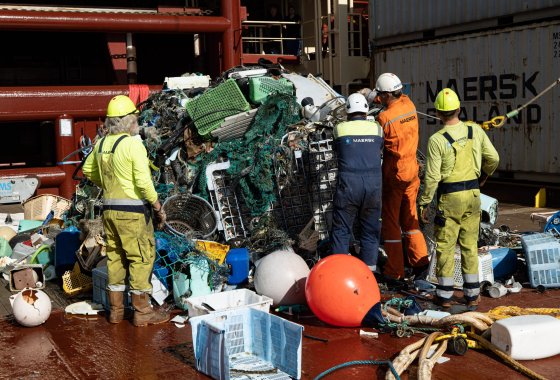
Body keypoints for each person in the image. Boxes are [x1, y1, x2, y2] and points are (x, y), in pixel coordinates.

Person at [83, 95, 169, 326]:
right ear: (129, 120)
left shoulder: (101, 144)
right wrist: (157, 205)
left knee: (116, 258)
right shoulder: (133, 144)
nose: (136, 123)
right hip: (133, 214)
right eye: (135, 119)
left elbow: (88, 170)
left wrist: (108, 184)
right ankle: (142, 314)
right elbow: (143, 181)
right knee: (140, 258)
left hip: (109, 211)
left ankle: (117, 312)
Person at [418, 88, 499, 310]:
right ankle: (472, 295)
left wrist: (424, 202)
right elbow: (493, 158)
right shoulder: (475, 130)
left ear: (438, 113)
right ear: (459, 109)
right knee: (470, 244)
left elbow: (432, 176)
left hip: (449, 199)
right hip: (473, 196)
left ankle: (444, 296)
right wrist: (483, 175)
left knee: (445, 245)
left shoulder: (436, 140)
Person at [374, 73, 429, 284]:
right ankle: (420, 263)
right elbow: (395, 101)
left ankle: (395, 271)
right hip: (412, 172)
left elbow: (378, 143)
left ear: (387, 95)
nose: (379, 98)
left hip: (395, 175)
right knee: (411, 220)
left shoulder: (384, 118)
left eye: (381, 95)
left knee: (391, 223)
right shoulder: (409, 104)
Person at [331, 93, 384, 272]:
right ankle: (369, 275)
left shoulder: (340, 129)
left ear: (347, 110)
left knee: (342, 230)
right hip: (373, 186)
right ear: (366, 109)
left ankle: (340, 272)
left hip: (349, 184)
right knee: (370, 231)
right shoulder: (377, 128)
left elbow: (336, 148)